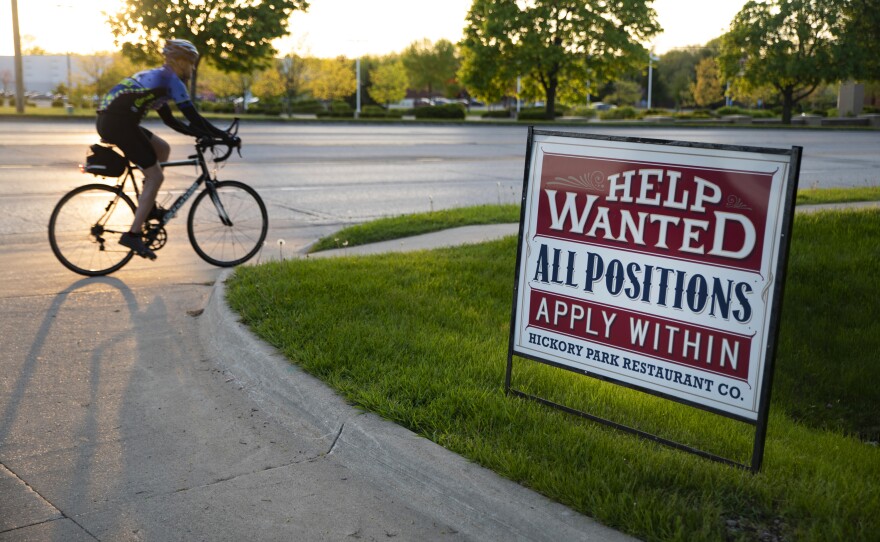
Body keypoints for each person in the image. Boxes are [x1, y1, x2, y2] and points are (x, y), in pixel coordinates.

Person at [96, 38, 238, 260]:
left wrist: (204, 135)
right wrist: (223, 137)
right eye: (191, 63)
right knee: (155, 177)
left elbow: (173, 122)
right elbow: (193, 117)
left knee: (162, 149)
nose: (193, 67)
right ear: (179, 62)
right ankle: (133, 235)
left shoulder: (160, 80)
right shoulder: (170, 81)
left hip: (116, 121)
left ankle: (149, 207)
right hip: (118, 124)